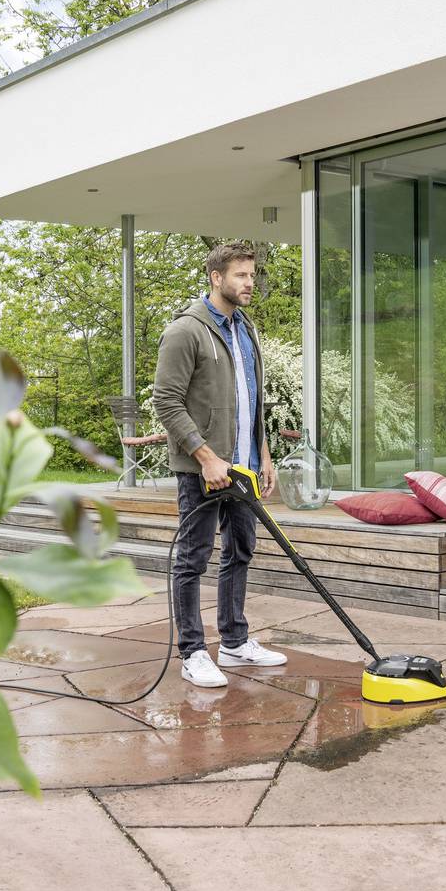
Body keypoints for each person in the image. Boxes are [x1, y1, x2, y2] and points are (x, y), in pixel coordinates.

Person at [152, 242, 288, 687]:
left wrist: (263, 456)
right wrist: (205, 456)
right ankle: (192, 651)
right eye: (241, 275)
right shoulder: (185, 331)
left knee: (241, 550)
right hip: (203, 470)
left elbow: (251, 400)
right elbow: (166, 402)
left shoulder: (244, 329)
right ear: (216, 277)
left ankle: (233, 640)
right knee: (193, 558)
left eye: (252, 275)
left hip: (243, 467)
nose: (250, 283)